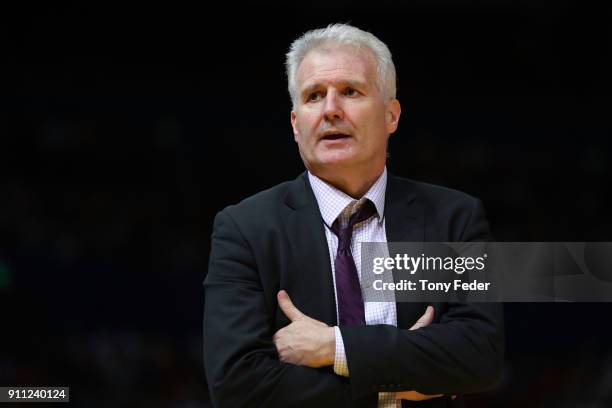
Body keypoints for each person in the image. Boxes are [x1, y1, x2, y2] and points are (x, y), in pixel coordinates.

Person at [203, 24, 503, 407]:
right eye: (314, 96)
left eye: (350, 91)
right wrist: (400, 377)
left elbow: (480, 357)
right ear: (296, 125)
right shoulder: (245, 229)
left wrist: (335, 347)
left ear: (391, 115)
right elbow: (237, 386)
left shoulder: (453, 218)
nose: (330, 109)